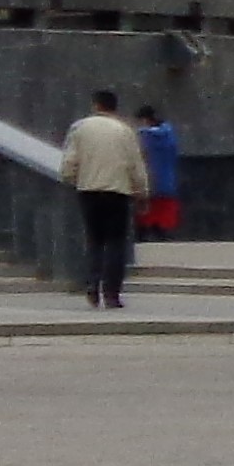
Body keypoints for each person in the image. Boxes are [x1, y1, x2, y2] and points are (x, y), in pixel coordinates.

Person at [61, 90, 151, 307]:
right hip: (118, 192)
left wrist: (73, 180)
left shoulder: (80, 128)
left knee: (94, 240)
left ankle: (92, 284)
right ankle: (112, 293)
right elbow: (135, 165)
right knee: (116, 243)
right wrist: (142, 193)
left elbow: (69, 162)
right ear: (114, 107)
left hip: (89, 191)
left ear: (96, 105)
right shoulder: (125, 131)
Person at [135, 101, 186, 249]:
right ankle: (161, 234)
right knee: (163, 216)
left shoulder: (143, 136)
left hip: (148, 181)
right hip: (166, 181)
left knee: (144, 215)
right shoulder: (169, 134)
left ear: (145, 119)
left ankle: (146, 233)